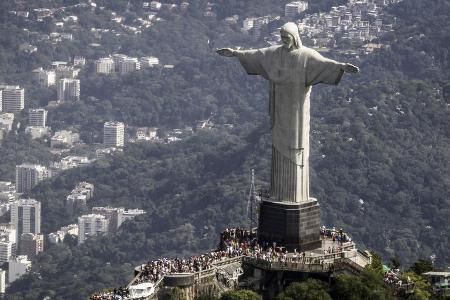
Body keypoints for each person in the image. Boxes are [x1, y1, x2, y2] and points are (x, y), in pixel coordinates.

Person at [217, 22, 358, 203]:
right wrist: (235, 53)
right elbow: (257, 55)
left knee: (295, 147)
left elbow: (324, 64)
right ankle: (280, 195)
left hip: (297, 112)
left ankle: (295, 196)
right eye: (282, 38)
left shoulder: (306, 56)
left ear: (295, 37)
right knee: (278, 143)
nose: (284, 41)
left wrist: (341, 67)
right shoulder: (274, 53)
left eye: (287, 38)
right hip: (279, 107)